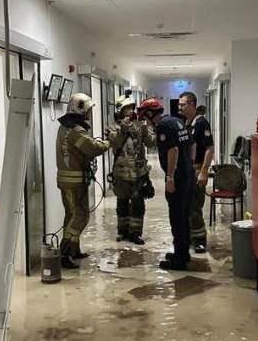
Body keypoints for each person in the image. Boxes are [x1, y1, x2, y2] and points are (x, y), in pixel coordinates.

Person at [137, 97, 194, 270]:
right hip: (187, 173)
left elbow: (173, 150)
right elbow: (191, 145)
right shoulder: (176, 121)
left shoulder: (162, 126)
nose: (146, 122)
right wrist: (189, 165)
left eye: (145, 118)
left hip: (178, 177)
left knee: (176, 217)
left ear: (150, 114)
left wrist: (170, 177)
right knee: (183, 215)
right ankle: (183, 253)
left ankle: (179, 260)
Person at [56, 92, 110, 269]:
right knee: (79, 216)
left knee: (72, 216)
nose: (89, 114)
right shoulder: (75, 130)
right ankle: (64, 254)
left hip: (73, 182)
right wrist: (110, 141)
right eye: (88, 110)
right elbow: (93, 148)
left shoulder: (66, 127)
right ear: (80, 110)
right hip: (74, 183)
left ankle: (73, 250)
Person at [108, 95, 155, 245]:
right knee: (122, 203)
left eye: (131, 108)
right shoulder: (113, 127)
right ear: (120, 111)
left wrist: (148, 128)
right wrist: (123, 130)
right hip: (121, 172)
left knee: (138, 203)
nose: (129, 111)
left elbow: (151, 143)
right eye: (126, 108)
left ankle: (135, 233)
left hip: (138, 172)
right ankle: (122, 231)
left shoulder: (139, 125)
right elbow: (114, 143)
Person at [178, 91, 214, 253]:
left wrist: (204, 172)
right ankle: (190, 238)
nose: (180, 107)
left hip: (196, 170)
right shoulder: (186, 123)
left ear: (192, 104)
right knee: (186, 206)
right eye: (179, 105)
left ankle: (199, 240)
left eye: (183, 105)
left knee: (194, 207)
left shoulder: (201, 123)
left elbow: (209, 149)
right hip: (186, 171)